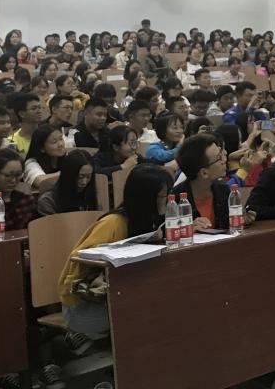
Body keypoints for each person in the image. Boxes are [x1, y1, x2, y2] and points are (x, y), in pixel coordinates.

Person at [59, 163, 174, 341]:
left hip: (120, 296)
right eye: (163, 195)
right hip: (84, 305)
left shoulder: (148, 221)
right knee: (153, 311)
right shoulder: (113, 223)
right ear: (147, 197)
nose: (168, 200)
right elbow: (79, 260)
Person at [37, 150, 98, 216]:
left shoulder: (90, 193)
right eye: (80, 177)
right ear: (69, 175)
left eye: (88, 176)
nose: (84, 182)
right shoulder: (48, 201)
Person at [22, 126, 66, 190]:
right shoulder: (31, 163)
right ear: (42, 148)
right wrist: (66, 172)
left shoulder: (66, 157)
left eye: (61, 139)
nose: (61, 144)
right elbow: (41, 181)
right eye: (54, 142)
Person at [8, 92, 42, 156]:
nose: (39, 111)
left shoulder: (48, 136)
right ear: (22, 114)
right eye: (34, 108)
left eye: (39, 107)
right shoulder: (12, 142)